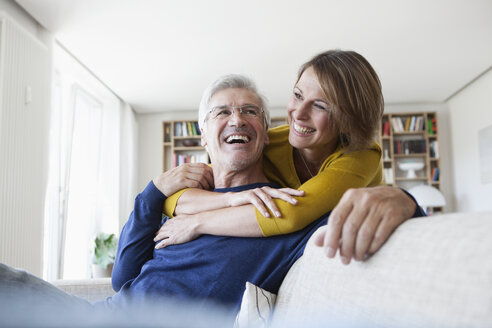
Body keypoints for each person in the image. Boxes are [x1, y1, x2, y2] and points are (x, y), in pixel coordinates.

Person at [0, 75, 330, 316]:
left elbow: (342, 211)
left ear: (267, 135)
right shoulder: (180, 201)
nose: (237, 119)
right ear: (203, 137)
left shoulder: (285, 207)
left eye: (250, 111)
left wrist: (382, 199)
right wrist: (153, 192)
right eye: (222, 112)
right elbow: (123, 277)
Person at [156, 50, 422, 265]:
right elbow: (177, 200)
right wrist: (222, 198)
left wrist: (197, 222)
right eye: (297, 95)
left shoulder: (361, 154)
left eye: (320, 105)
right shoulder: (270, 142)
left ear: (347, 120)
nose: (298, 113)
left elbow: (290, 215)